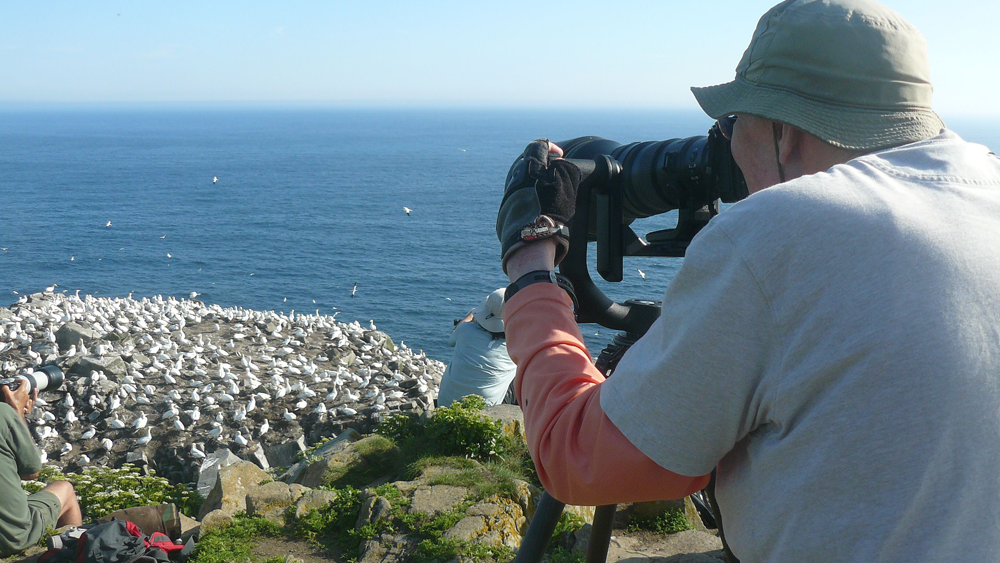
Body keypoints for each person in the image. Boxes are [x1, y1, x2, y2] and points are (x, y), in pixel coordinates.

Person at [495, 0, 1000, 561]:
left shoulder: (781, 232)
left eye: (733, 123)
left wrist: (530, 263)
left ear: (782, 132)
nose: (726, 146)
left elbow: (575, 457)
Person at [0, 382, 82, 557]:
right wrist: (17, 413)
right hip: (10, 538)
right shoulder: (3, 414)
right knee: (65, 488)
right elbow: (31, 471)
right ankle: (76, 553)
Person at [436, 288, 518, 407]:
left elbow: (451, 341)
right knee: (524, 375)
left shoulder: (465, 330)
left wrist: (473, 314)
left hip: (446, 404)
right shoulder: (517, 346)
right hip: (484, 412)